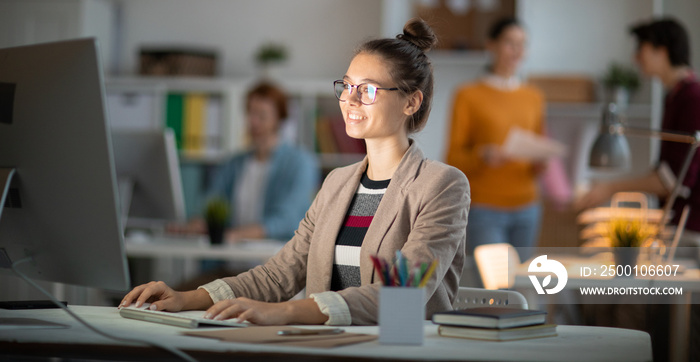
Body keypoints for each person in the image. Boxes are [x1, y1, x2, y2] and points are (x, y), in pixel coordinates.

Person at [120, 18, 470, 326]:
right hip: (324, 349)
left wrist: (286, 312)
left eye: (367, 91)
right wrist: (186, 298)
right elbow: (279, 274)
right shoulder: (337, 183)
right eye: (347, 86)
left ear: (411, 102)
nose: (349, 100)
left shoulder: (441, 185)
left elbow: (400, 295)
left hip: (398, 354)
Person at [577, 17, 700, 243]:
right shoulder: (674, 96)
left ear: (660, 50)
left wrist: (610, 188)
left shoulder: (692, 98)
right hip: (678, 221)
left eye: (640, 49)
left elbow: (672, 179)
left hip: (691, 227)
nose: (636, 58)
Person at [446, 17, 546, 253]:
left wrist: (542, 161)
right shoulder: (468, 95)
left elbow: (537, 148)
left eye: (522, 44)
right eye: (510, 43)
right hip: (485, 207)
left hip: (528, 206)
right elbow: (453, 156)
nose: (517, 51)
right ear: (491, 45)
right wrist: (483, 155)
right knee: (495, 288)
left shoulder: (534, 96)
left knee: (520, 285)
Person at [176, 82, 319, 243]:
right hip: (230, 259)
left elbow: (288, 219)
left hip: (273, 261)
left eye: (262, 115)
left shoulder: (300, 163)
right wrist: (199, 222)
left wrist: (237, 235)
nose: (253, 122)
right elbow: (212, 202)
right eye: (250, 113)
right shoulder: (233, 163)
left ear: (278, 118)